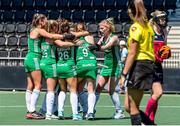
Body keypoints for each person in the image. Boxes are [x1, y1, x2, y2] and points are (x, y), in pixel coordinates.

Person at [24, 14, 72, 119]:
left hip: (29, 57)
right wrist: (65, 36)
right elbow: (51, 36)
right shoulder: (38, 30)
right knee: (38, 85)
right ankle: (32, 111)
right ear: (40, 21)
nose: (46, 21)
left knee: (30, 86)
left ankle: (30, 110)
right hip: (35, 57)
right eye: (45, 19)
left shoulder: (36, 31)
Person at [119, 0, 156, 125]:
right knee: (128, 107)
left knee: (133, 107)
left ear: (131, 11)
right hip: (147, 65)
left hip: (139, 66)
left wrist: (123, 74)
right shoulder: (148, 26)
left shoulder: (135, 27)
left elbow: (132, 53)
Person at [89, 17, 125, 119]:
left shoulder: (114, 38)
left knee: (111, 90)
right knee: (98, 88)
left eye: (102, 28)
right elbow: (97, 45)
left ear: (108, 28)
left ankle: (119, 111)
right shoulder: (102, 38)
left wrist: (97, 47)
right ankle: (91, 110)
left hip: (115, 65)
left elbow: (106, 47)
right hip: (106, 65)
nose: (100, 30)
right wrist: (90, 47)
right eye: (99, 28)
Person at [145, 10, 171, 124]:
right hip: (149, 65)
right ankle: (144, 119)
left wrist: (166, 53)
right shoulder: (149, 31)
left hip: (158, 65)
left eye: (164, 18)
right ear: (155, 20)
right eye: (161, 19)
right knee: (158, 93)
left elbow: (163, 49)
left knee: (154, 95)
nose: (164, 21)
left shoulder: (164, 32)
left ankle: (151, 120)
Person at [56, 19, 82, 120]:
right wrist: (75, 43)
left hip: (59, 66)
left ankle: (60, 112)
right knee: (73, 90)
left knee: (62, 90)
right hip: (69, 65)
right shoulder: (71, 37)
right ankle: (75, 114)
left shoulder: (56, 37)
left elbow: (60, 44)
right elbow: (78, 41)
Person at [75, 22, 97, 120]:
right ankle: (90, 112)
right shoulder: (90, 37)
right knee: (91, 89)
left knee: (75, 88)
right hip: (91, 63)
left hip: (81, 64)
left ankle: (84, 109)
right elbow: (94, 46)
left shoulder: (76, 39)